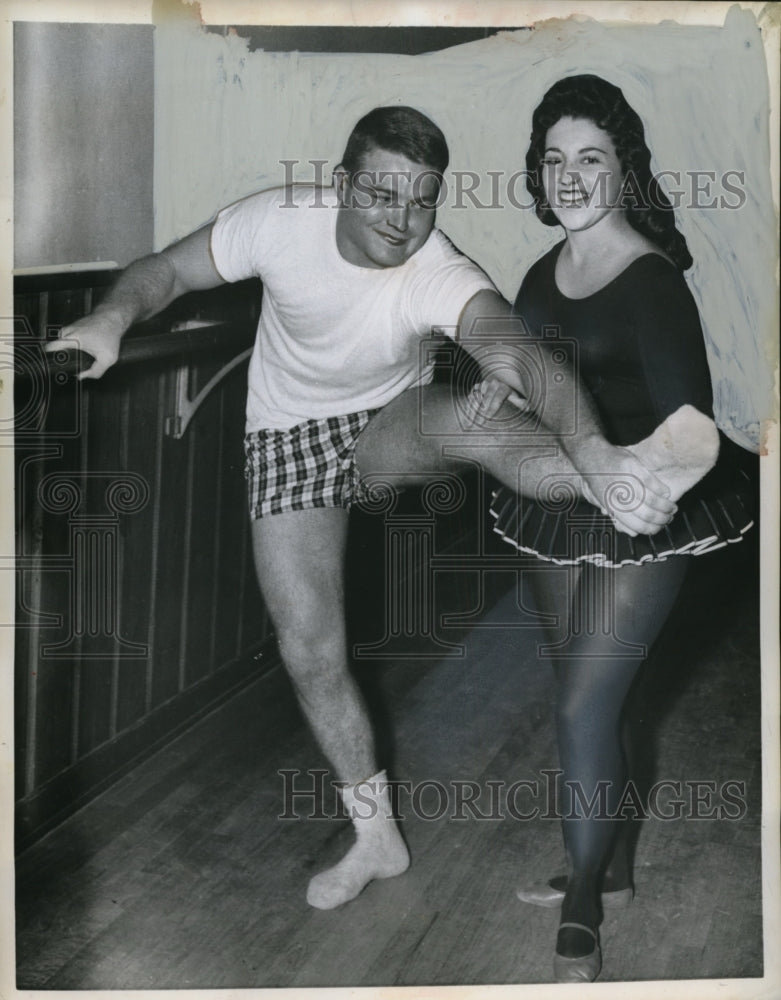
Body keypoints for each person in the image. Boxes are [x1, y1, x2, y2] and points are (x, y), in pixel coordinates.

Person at [47, 105, 680, 913]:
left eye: (420, 199)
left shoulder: (437, 267)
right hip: (282, 436)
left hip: (388, 423)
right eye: (381, 192)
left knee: (473, 418)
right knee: (309, 652)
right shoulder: (278, 219)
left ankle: (606, 482)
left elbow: (518, 353)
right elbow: (164, 272)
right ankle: (375, 836)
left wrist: (595, 455)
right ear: (341, 184)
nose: (400, 218)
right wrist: (109, 316)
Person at [488, 75, 755, 982]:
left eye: (588, 159)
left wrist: (644, 491)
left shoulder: (650, 280)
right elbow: (531, 372)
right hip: (559, 510)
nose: (568, 176)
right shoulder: (540, 272)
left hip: (649, 516)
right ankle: (615, 864)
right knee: (596, 700)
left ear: (620, 170)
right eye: (554, 160)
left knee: (579, 708)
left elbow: (691, 427)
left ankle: (583, 900)